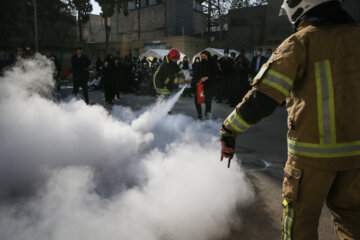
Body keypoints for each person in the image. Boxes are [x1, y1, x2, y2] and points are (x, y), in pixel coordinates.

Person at [220, 1, 360, 239]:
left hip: (311, 159)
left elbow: (262, 99)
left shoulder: (300, 43)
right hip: (356, 158)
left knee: (299, 228)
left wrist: (228, 129)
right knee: (354, 224)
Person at [193, 50, 218, 120]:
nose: (203, 58)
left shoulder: (213, 64)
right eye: (202, 57)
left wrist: (207, 77)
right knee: (197, 99)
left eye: (204, 56)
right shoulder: (200, 64)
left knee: (208, 100)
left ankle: (207, 114)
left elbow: (215, 75)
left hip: (210, 84)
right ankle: (199, 114)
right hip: (201, 84)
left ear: (208, 56)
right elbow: (196, 74)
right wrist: (198, 79)